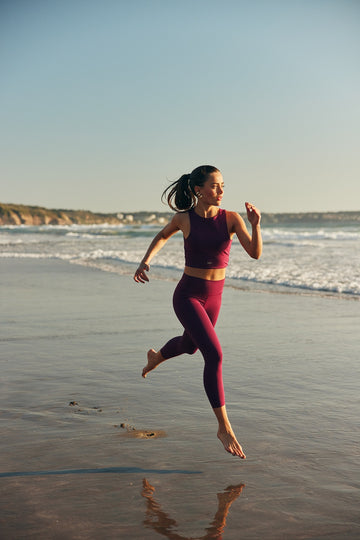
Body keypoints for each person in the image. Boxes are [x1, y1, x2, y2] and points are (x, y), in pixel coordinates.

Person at [134, 165, 262, 458]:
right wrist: (145, 262)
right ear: (198, 190)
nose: (221, 191)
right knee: (214, 355)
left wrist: (256, 225)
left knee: (191, 346)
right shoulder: (184, 218)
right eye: (215, 186)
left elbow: (255, 253)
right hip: (188, 296)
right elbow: (162, 236)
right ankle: (224, 427)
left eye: (223, 186)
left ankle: (157, 357)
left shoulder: (231, 218)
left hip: (214, 298)